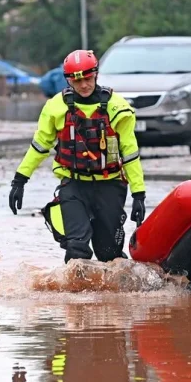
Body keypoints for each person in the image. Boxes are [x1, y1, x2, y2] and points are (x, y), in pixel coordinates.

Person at [8, 49, 146, 263]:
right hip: (73, 185)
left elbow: (130, 153)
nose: (83, 85)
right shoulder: (55, 107)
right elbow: (39, 146)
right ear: (68, 80)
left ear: (96, 74)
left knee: (109, 256)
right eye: (77, 80)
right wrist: (19, 181)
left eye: (88, 79)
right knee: (76, 248)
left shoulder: (118, 108)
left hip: (109, 185)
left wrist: (139, 195)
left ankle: (116, 286)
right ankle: (75, 285)